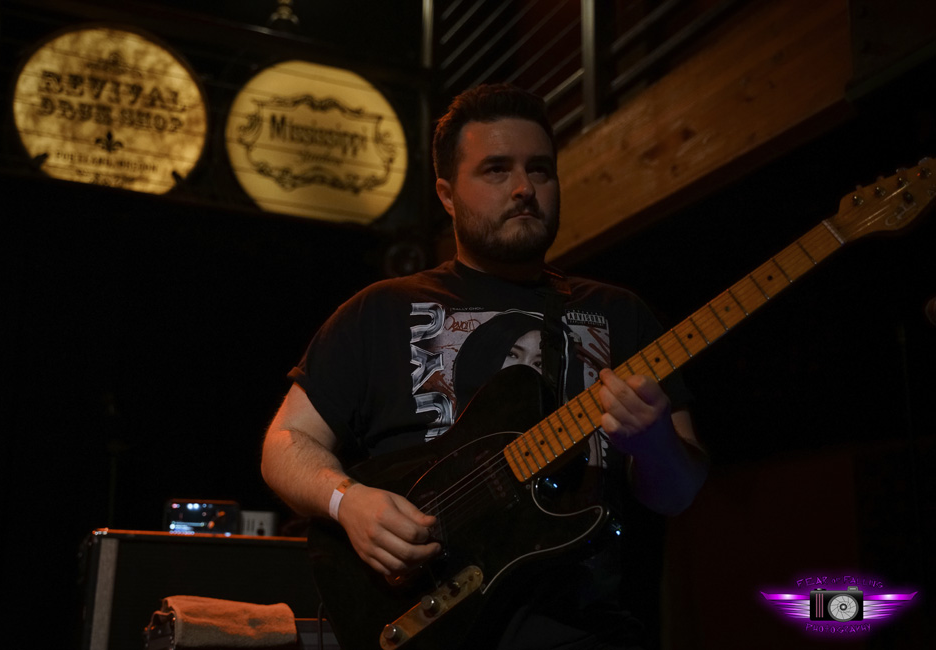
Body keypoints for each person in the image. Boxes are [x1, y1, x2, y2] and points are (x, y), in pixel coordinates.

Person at [261, 83, 709, 649]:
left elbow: (678, 493)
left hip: (596, 629)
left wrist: (654, 445)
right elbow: (285, 443)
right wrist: (347, 501)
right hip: (428, 620)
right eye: (496, 170)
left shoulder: (620, 314)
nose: (524, 188)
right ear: (447, 196)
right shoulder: (380, 310)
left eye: (540, 170)